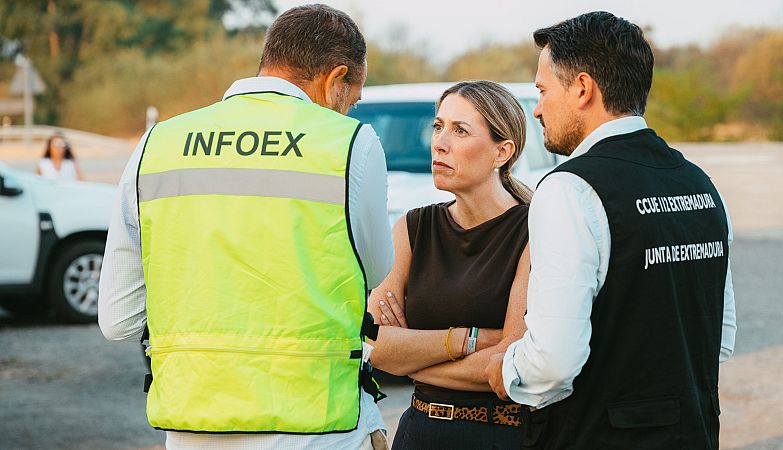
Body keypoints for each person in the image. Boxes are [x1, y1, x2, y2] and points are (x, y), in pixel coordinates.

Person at [98, 5, 394, 450]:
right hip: (318, 427)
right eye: (351, 100)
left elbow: (118, 320)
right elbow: (375, 271)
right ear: (336, 79)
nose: (348, 111)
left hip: (191, 426)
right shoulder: (351, 143)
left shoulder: (156, 144)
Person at [485, 11, 737, 449]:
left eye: (543, 91)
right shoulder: (701, 184)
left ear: (582, 89)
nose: (538, 109)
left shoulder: (569, 189)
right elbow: (720, 335)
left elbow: (553, 361)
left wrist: (506, 369)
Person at [368, 80, 532, 449]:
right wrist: (470, 339)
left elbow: (514, 361)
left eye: (460, 131)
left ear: (502, 152)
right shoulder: (413, 227)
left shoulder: (533, 230)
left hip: (501, 436)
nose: (439, 143)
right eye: (438, 126)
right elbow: (374, 344)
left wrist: (410, 360)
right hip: (419, 434)